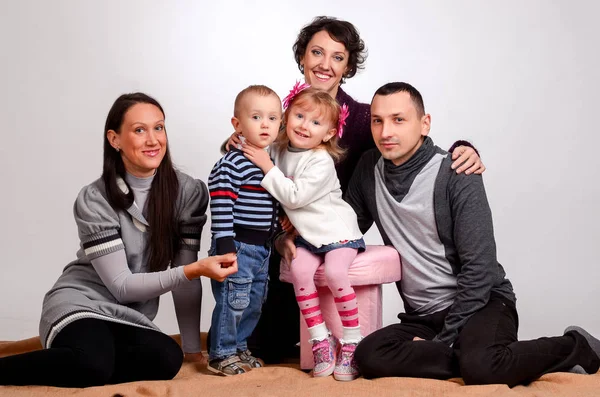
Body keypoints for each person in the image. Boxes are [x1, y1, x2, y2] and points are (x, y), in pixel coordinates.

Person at [237, 16, 488, 364]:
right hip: (290, 242)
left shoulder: (363, 118)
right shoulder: (282, 115)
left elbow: (411, 144)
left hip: (336, 236)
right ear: (302, 58)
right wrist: (278, 234)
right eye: (317, 53)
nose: (325, 65)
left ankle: (347, 342)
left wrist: (463, 149)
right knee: (265, 346)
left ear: (348, 66)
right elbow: (251, 159)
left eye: (337, 57)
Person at [341, 82, 600, 386]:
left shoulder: (456, 171)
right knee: (370, 356)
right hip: (423, 317)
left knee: (481, 368)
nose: (386, 132)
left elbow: (481, 270)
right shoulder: (368, 168)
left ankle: (575, 346)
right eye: (378, 120)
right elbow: (344, 230)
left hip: (484, 302)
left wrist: (442, 342)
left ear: (424, 124)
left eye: (399, 119)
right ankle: (476, 356)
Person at [0, 93, 238, 388]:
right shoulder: (95, 199)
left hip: (127, 317)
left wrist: (192, 349)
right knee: (93, 365)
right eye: (140, 130)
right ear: (115, 139)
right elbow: (122, 287)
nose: (153, 140)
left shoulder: (188, 193)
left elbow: (187, 279)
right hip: (80, 303)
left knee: (166, 359)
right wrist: (195, 270)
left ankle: (92, 359)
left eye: (159, 127)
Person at [243, 84, 365, 381]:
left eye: (315, 122)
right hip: (308, 237)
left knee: (336, 274)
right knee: (298, 270)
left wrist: (265, 166)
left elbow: (294, 196)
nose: (304, 126)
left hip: (337, 234)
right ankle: (320, 339)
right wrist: (241, 139)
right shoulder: (279, 150)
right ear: (286, 117)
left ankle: (351, 340)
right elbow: (256, 149)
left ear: (327, 133)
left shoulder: (321, 160)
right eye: (299, 116)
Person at [206, 85, 281, 376]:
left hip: (262, 247)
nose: (265, 124)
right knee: (233, 300)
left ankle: (238, 346)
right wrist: (225, 245)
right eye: (256, 117)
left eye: (273, 118)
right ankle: (220, 353)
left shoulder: (266, 160)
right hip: (237, 244)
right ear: (237, 125)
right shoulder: (233, 162)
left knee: (253, 302)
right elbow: (222, 201)